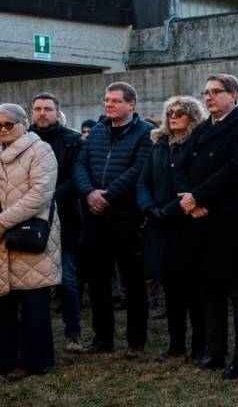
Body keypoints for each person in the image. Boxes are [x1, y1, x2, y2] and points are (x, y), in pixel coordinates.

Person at [176, 74, 238, 379]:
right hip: (200, 219)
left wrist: (198, 195)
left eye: (216, 92)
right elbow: (182, 166)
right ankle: (214, 351)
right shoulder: (201, 129)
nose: (209, 97)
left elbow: (237, 170)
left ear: (233, 95)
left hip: (230, 220)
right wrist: (188, 198)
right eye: (206, 92)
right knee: (209, 288)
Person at [73, 82, 153, 358]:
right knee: (97, 280)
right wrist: (89, 192)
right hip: (95, 217)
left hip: (126, 216)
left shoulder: (145, 133)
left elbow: (138, 169)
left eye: (115, 101)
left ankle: (136, 341)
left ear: (131, 104)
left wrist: (107, 195)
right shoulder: (96, 131)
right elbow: (80, 165)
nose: (108, 105)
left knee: (132, 282)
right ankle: (102, 337)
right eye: (106, 100)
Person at [136, 96, 206, 363]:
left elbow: (195, 184)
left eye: (180, 112)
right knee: (170, 289)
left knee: (193, 290)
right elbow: (143, 182)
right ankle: (176, 345)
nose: (173, 116)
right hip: (159, 225)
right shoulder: (158, 145)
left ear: (192, 117)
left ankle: (199, 345)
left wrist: (169, 209)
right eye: (170, 112)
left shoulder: (195, 144)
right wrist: (149, 208)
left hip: (186, 225)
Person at [0, 103, 61, 381]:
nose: (3, 129)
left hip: (28, 234)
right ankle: (6, 358)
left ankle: (35, 360)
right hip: (3, 240)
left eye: (8, 124)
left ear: (23, 124)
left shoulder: (40, 150)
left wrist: (3, 221)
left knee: (35, 303)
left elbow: (40, 194)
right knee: (5, 304)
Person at [29, 92, 84, 353]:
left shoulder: (72, 140)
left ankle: (73, 333)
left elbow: (75, 178)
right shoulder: (23, 139)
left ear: (57, 111)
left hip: (65, 218)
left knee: (68, 279)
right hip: (28, 220)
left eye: (47, 109)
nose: (42, 113)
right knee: (29, 283)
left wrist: (46, 199)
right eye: (38, 108)